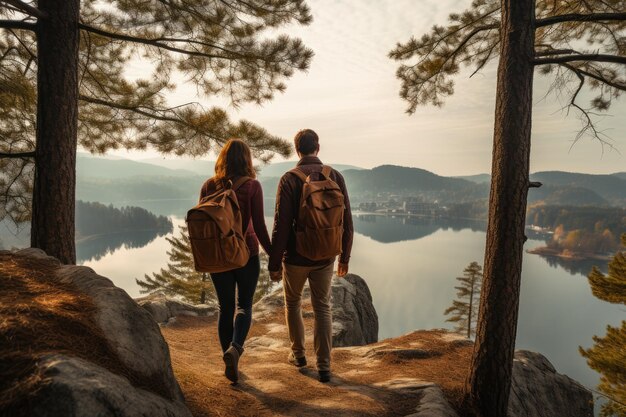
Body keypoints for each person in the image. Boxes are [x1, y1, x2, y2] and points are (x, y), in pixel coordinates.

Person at [268, 129, 354, 383]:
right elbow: (347, 222)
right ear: (318, 147)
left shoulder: (289, 179)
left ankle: (299, 355)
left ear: (297, 150)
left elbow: (281, 226)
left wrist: (274, 264)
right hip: (326, 257)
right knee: (322, 307)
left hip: (295, 257)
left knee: (293, 304)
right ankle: (325, 366)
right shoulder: (335, 176)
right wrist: (344, 257)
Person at [199, 138, 271, 384]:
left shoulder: (208, 186)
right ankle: (236, 349)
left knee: (225, 307)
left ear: (223, 160)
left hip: (218, 257)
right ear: (247, 160)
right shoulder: (252, 186)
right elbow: (259, 226)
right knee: (244, 306)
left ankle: (227, 358)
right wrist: (273, 254)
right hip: (246, 253)